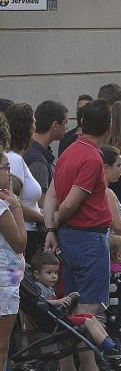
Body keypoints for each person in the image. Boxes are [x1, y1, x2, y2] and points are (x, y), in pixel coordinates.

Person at [44, 100, 114, 371]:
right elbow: (71, 203)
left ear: (81, 124)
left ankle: (69, 367)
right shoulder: (92, 158)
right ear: (109, 128)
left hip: (69, 236)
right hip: (87, 236)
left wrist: (51, 228)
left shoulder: (69, 151)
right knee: (88, 306)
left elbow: (51, 195)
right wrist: (58, 221)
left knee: (71, 303)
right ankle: (89, 368)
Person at [28, 251, 121, 359]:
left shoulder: (49, 287)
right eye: (49, 273)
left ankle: (111, 343)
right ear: (36, 274)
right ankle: (108, 348)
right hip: (52, 322)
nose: (54, 276)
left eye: (56, 273)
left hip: (59, 318)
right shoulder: (38, 288)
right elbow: (40, 303)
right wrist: (59, 301)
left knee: (91, 317)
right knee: (87, 321)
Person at [0, 151, 36, 371]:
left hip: (7, 282)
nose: (10, 174)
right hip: (3, 286)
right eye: (5, 167)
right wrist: (16, 206)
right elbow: (20, 241)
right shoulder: (2, 205)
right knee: (0, 352)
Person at [3, 104, 45, 261]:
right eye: (34, 122)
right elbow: (13, 202)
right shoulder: (12, 159)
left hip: (28, 231)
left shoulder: (15, 158)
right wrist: (46, 219)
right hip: (23, 233)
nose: (36, 126)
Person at [25, 100, 67, 198]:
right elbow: (41, 202)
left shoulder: (31, 150)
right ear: (55, 125)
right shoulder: (38, 160)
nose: (67, 128)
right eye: (65, 123)